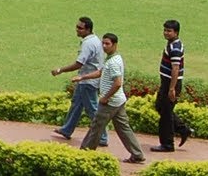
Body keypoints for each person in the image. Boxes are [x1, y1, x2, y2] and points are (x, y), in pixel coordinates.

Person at [74, 32, 145, 165]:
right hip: (118, 101)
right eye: (103, 43)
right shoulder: (113, 59)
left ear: (115, 45)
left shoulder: (113, 62)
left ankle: (85, 153)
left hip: (110, 102)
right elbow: (101, 72)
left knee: (96, 126)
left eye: (107, 44)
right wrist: (83, 77)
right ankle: (137, 154)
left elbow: (118, 82)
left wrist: (106, 97)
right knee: (123, 128)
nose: (104, 46)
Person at [51, 16, 106, 146]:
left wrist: (60, 70)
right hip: (87, 80)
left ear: (88, 29)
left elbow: (78, 64)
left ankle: (102, 137)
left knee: (92, 109)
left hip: (88, 81)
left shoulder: (88, 44)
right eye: (77, 27)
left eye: (80, 28)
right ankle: (67, 129)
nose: (77, 30)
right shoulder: (94, 39)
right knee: (76, 105)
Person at [152, 19, 193, 152]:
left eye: (169, 31)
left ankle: (167, 144)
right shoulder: (174, 44)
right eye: (165, 30)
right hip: (167, 83)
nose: (166, 33)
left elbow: (175, 69)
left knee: (165, 115)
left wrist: (171, 89)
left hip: (171, 84)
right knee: (160, 106)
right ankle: (183, 129)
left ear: (176, 32)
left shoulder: (175, 48)